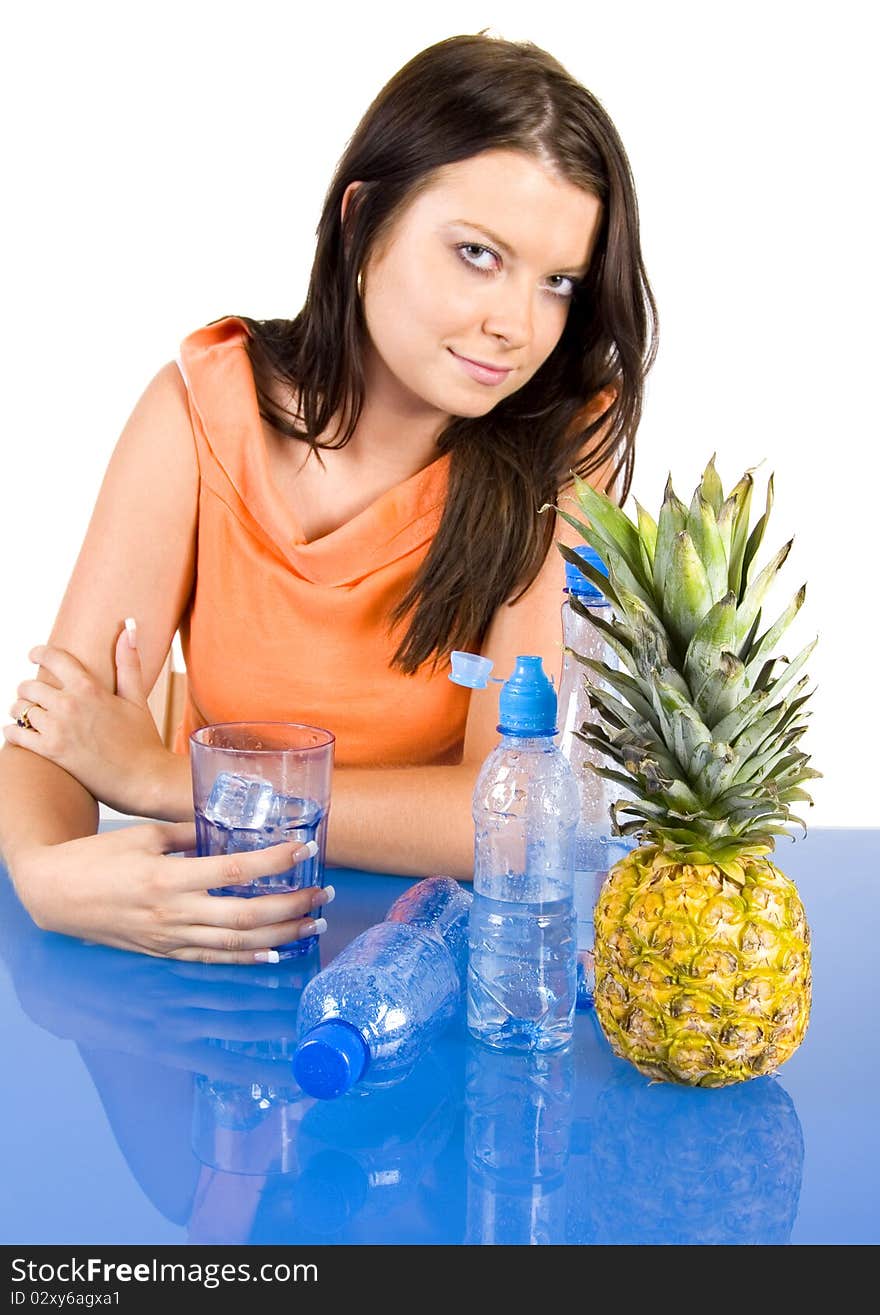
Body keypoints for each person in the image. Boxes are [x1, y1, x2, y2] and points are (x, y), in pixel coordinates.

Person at [0, 31, 658, 964]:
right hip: (207, 941)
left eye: (557, 282)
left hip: (427, 968)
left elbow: (508, 822)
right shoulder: (200, 410)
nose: (516, 325)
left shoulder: (555, 458)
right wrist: (44, 872)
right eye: (477, 253)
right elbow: (53, 732)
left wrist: (160, 778)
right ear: (362, 220)